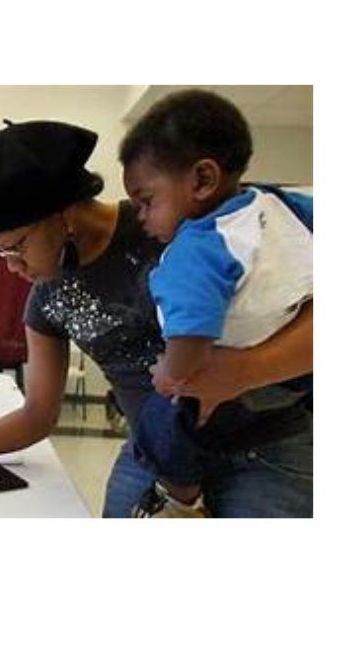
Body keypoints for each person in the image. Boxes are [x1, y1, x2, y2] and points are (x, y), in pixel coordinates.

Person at [0, 119, 315, 518]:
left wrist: (243, 370)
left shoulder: (168, 220)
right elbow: (37, 415)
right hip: (157, 455)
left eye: (16, 246)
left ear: (61, 212)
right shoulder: (48, 297)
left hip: (264, 446)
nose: (12, 266)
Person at [119, 89, 314, 518]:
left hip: (217, 395)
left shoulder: (198, 246)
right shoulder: (281, 205)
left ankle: (179, 500)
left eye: (146, 201)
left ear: (203, 180)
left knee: (160, 421)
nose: (141, 217)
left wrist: (171, 376)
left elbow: (190, 335)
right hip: (292, 385)